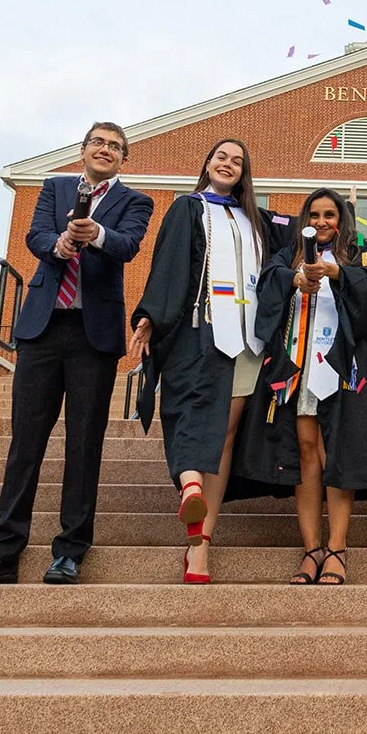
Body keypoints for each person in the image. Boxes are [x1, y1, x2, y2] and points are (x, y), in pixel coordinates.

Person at [0, 122, 154, 586]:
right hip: (43, 328)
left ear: (124, 159)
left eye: (115, 147)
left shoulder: (136, 201)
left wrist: (95, 234)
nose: (106, 150)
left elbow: (128, 246)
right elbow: (35, 236)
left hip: (94, 336)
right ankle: (3, 552)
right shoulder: (55, 187)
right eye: (98, 143)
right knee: (25, 443)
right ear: (83, 149)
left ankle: (70, 551)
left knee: (84, 445)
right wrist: (58, 244)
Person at [128, 139, 289, 584]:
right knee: (194, 415)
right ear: (207, 163)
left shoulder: (257, 219)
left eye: (238, 160)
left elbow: (303, 231)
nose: (229, 164)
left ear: (245, 173)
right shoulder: (188, 208)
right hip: (203, 332)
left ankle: (199, 545)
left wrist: (342, 214)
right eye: (222, 156)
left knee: (226, 436)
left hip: (248, 341)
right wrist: (149, 317)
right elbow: (169, 266)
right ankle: (191, 484)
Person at [240, 188, 367, 586]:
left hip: (343, 371)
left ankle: (337, 549)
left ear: (342, 219)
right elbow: (269, 283)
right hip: (299, 369)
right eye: (314, 215)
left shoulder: (357, 251)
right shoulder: (290, 252)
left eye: (329, 214)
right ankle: (311, 550)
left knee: (333, 452)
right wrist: (294, 278)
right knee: (305, 451)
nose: (321, 222)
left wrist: (338, 274)